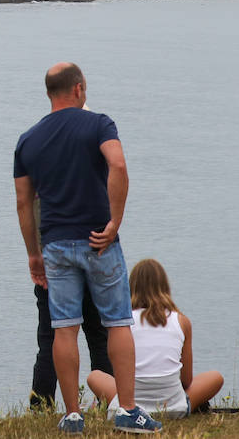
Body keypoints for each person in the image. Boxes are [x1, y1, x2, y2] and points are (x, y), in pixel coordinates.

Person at [13, 63, 161, 434]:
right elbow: (118, 164)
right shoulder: (99, 124)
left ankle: (73, 414)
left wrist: (33, 254)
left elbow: (22, 202)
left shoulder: (27, 140)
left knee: (63, 328)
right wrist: (115, 221)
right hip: (99, 241)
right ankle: (126, 409)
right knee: (117, 323)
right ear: (78, 89)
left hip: (56, 244)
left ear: (50, 93)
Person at [86, 258, 223, 418]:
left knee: (94, 376)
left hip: (128, 403)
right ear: (165, 287)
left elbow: (119, 373)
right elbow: (186, 381)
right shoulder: (181, 321)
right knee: (215, 377)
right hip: (173, 407)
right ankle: (184, 405)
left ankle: (125, 407)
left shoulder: (122, 324)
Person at [31, 195, 113, 411]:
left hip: (54, 263)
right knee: (99, 338)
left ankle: (41, 406)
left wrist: (37, 256)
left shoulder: (43, 175)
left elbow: (31, 213)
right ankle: (109, 402)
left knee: (51, 339)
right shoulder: (87, 172)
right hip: (92, 259)